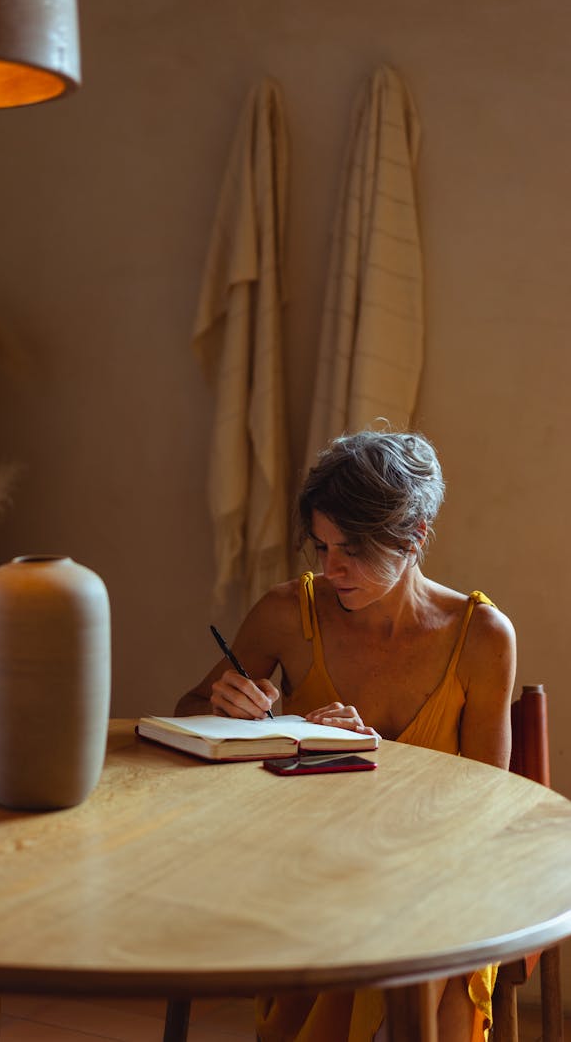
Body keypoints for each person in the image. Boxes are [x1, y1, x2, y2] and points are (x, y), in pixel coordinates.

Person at [175, 429, 516, 1042]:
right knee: (361, 930)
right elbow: (187, 711)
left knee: (427, 932)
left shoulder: (482, 637)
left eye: (351, 550)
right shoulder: (288, 613)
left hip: (442, 876)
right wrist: (226, 706)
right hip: (313, 872)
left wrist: (379, 761)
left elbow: (487, 806)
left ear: (414, 538)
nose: (330, 569)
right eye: (322, 545)